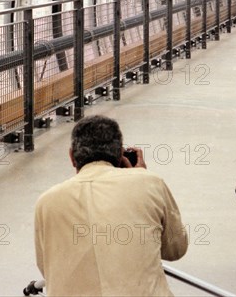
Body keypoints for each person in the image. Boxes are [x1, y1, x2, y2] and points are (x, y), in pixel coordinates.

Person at [34, 115, 188, 296]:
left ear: (72, 157)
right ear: (121, 154)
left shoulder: (46, 202)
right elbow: (176, 249)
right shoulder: (149, 183)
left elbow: (47, 269)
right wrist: (140, 178)